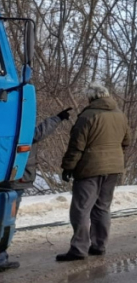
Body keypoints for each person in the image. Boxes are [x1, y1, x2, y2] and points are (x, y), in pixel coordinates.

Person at [56, 83, 131, 262]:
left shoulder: (87, 116)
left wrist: (68, 166)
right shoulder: (120, 115)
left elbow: (76, 146)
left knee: (80, 209)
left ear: (91, 98)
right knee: (102, 207)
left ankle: (78, 249)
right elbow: (127, 141)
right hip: (113, 169)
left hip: (90, 169)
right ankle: (99, 245)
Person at [0, 108, 72, 272]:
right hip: (15, 178)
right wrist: (57, 118)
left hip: (6, 176)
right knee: (6, 220)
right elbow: (38, 133)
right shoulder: (19, 127)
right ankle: (1, 258)